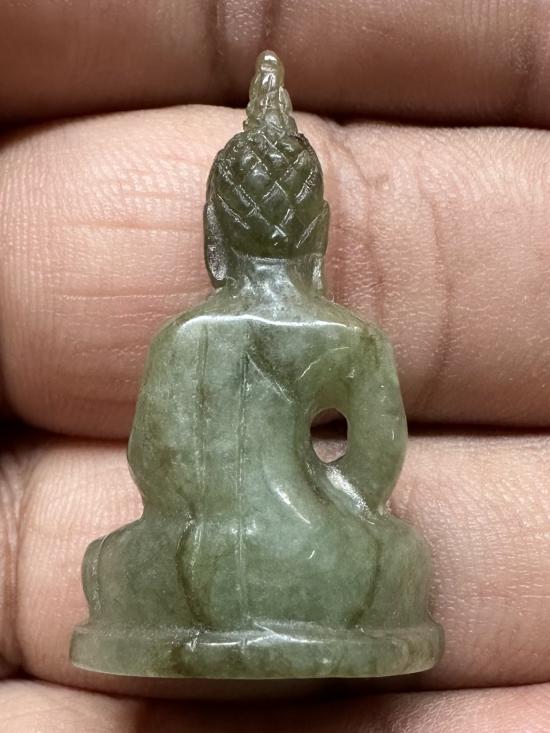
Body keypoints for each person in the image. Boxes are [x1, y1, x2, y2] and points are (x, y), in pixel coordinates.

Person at [0, 2, 549, 731]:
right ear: (319, 232)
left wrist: (211, 514)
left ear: (213, 233)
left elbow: (152, 465)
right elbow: (375, 466)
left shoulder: (185, 336)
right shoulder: (349, 335)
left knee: (108, 559)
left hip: (191, 550)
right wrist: (323, 510)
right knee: (397, 552)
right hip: (320, 556)